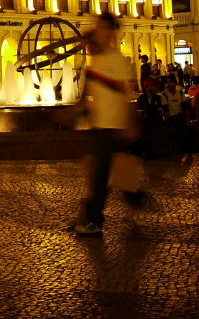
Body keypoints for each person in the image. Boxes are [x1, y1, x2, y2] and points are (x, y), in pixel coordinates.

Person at [72, 14, 141, 237]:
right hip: (98, 127)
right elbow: (87, 95)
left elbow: (127, 96)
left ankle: (93, 220)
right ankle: (134, 197)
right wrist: (75, 110)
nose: (99, 31)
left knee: (100, 176)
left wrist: (130, 124)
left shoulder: (117, 61)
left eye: (102, 28)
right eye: (98, 27)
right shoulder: (94, 62)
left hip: (114, 126)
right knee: (102, 172)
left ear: (111, 32)